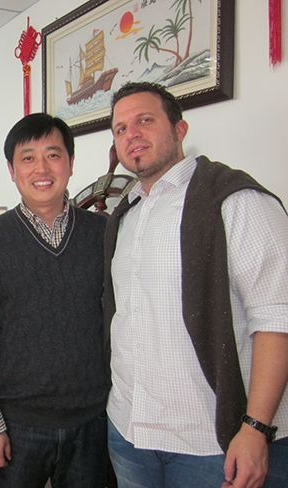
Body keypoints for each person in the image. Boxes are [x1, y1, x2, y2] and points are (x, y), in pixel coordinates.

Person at [104, 81, 288, 487]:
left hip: (211, 443)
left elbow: (277, 319)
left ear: (179, 129)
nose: (132, 135)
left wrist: (256, 428)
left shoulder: (236, 200)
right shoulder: (124, 216)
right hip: (128, 432)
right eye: (120, 129)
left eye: (145, 121)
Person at [0, 113, 109, 487]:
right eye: (28, 157)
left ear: (71, 163)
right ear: (12, 170)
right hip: (17, 423)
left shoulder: (103, 232)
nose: (41, 169)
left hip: (92, 420)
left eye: (53, 155)